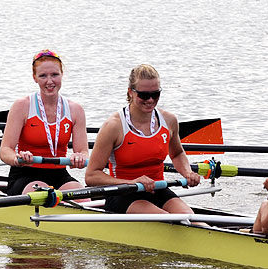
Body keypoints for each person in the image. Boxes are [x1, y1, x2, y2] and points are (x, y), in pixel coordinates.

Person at [84, 64, 202, 213]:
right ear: (130, 93)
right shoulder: (113, 126)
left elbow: (177, 154)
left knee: (189, 217)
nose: (151, 100)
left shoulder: (169, 120)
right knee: (168, 221)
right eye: (144, 95)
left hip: (158, 189)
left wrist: (187, 173)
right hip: (123, 194)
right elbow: (91, 175)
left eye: (156, 94)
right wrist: (132, 182)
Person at [0, 50, 88, 195]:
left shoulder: (75, 110)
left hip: (59, 173)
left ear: (62, 74)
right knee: (40, 192)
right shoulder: (22, 106)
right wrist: (17, 158)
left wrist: (80, 157)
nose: (50, 81)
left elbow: (83, 151)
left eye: (54, 74)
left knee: (80, 194)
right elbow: (5, 151)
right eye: (43, 76)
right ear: (35, 78)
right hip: (25, 174)